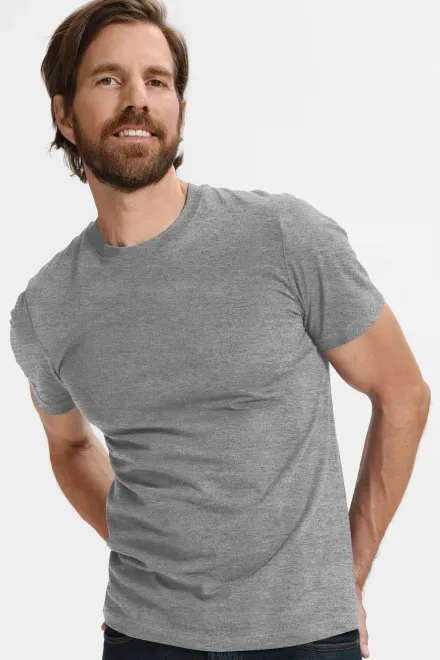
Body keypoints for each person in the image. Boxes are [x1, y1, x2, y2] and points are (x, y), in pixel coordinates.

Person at [9, 2, 430, 659]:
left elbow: (403, 393)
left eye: (157, 80)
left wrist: (348, 574)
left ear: (179, 110)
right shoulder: (45, 310)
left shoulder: (285, 238)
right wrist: (152, 555)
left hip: (308, 637)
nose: (137, 98)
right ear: (64, 115)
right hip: (144, 638)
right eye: (109, 79)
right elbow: (68, 446)